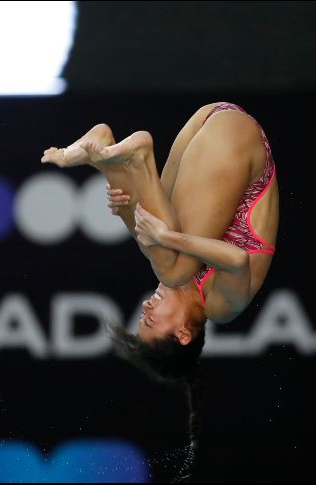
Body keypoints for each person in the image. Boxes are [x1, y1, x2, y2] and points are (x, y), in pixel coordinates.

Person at [40, 102, 279, 468]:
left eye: (143, 315)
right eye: (152, 320)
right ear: (184, 333)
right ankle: (132, 161)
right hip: (237, 139)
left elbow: (156, 236)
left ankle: (110, 162)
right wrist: (165, 235)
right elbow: (237, 260)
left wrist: (125, 208)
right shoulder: (222, 306)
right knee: (169, 260)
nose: (146, 307)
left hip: (206, 121)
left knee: (158, 252)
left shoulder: (174, 273)